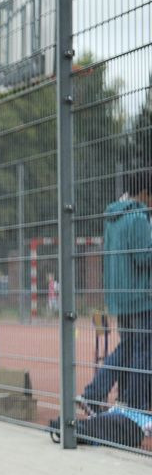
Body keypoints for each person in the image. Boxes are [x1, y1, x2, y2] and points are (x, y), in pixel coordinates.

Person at [78, 171, 152, 417]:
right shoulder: (138, 217)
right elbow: (144, 257)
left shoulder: (113, 217)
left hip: (120, 295)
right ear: (145, 194)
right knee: (143, 351)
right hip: (141, 296)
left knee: (128, 347)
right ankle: (135, 406)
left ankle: (94, 394)